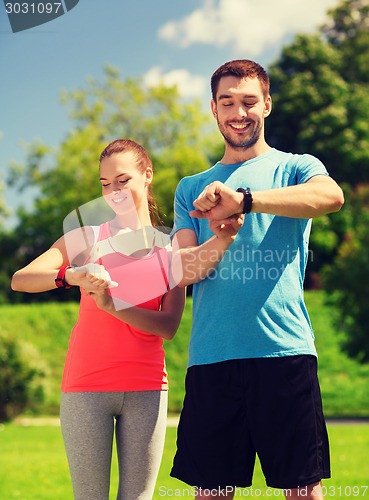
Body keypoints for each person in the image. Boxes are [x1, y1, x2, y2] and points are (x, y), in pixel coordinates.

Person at [170, 60, 344, 499]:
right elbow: (185, 269)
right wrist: (222, 236)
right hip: (212, 359)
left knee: (302, 491)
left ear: (266, 104)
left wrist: (244, 201)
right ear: (213, 109)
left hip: (283, 352)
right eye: (227, 102)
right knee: (212, 493)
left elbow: (331, 196)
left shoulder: (296, 167)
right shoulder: (192, 188)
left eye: (249, 101)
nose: (239, 112)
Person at [11, 139, 185, 500]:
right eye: (105, 184)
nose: (114, 191)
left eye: (122, 180)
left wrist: (112, 305)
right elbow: (21, 279)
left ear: (147, 175)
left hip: (147, 388)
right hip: (86, 389)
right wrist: (70, 275)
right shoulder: (86, 238)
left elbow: (168, 325)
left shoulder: (171, 250)